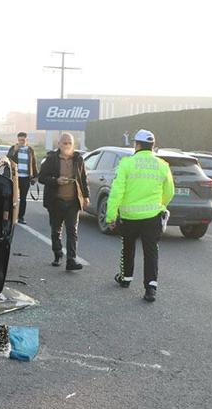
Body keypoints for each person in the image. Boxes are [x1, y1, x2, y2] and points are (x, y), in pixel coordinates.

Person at [105, 129, 174, 302]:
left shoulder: (127, 164)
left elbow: (116, 192)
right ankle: (150, 288)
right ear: (153, 146)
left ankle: (126, 278)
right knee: (151, 252)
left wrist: (111, 216)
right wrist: (161, 205)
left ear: (137, 144)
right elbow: (170, 191)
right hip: (152, 216)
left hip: (129, 217)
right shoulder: (162, 165)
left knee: (128, 247)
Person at [38, 132, 90, 270]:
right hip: (56, 201)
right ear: (59, 144)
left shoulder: (78, 159)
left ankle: (71, 260)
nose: (67, 145)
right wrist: (56, 181)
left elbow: (83, 179)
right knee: (56, 230)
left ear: (73, 144)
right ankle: (58, 253)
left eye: (69, 143)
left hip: (73, 202)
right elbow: (41, 177)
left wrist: (86, 196)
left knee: (72, 232)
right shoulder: (51, 159)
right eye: (64, 143)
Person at [7, 132, 38, 224]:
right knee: (12, 197)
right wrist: (14, 151)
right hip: (15, 177)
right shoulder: (13, 148)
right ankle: (11, 216)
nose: (21, 141)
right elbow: (8, 159)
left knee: (23, 198)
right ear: (17, 140)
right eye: (20, 140)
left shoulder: (30, 150)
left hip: (26, 177)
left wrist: (35, 176)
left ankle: (21, 217)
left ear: (26, 140)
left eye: (23, 140)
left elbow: (33, 163)